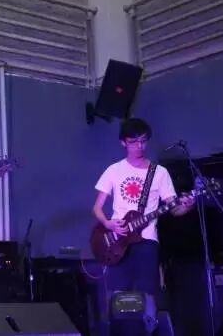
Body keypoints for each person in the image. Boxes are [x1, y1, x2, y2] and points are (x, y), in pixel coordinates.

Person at [92, 118, 195, 334]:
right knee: (117, 294)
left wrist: (186, 206)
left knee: (147, 293)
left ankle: (150, 330)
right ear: (123, 142)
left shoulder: (159, 173)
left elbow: (174, 209)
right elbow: (97, 208)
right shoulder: (114, 170)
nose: (139, 146)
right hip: (117, 240)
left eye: (143, 141)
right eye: (133, 142)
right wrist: (108, 223)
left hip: (147, 241)